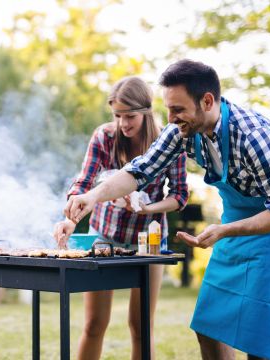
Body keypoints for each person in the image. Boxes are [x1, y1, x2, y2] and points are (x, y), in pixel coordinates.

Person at [65, 59, 270, 360]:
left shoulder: (254, 137)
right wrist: (93, 197)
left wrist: (224, 230)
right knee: (208, 326)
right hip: (233, 226)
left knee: (255, 340)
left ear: (207, 101)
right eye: (168, 109)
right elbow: (139, 171)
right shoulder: (182, 131)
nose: (170, 118)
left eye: (178, 110)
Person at [53, 76, 189, 360]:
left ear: (146, 112)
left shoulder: (169, 142)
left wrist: (146, 208)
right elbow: (83, 183)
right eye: (117, 115)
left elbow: (179, 196)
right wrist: (69, 217)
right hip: (104, 235)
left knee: (141, 326)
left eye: (130, 116)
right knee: (94, 325)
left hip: (148, 240)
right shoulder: (104, 136)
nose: (123, 123)